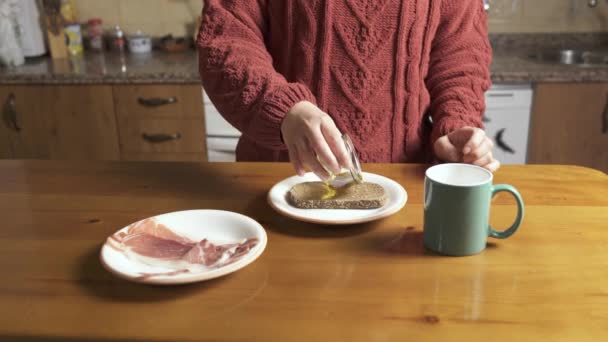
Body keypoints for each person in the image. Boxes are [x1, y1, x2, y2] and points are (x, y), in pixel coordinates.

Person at [197, 0, 498, 180]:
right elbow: (227, 43)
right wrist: (285, 109)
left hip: (407, 185)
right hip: (279, 181)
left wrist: (456, 124)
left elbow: (460, 56)